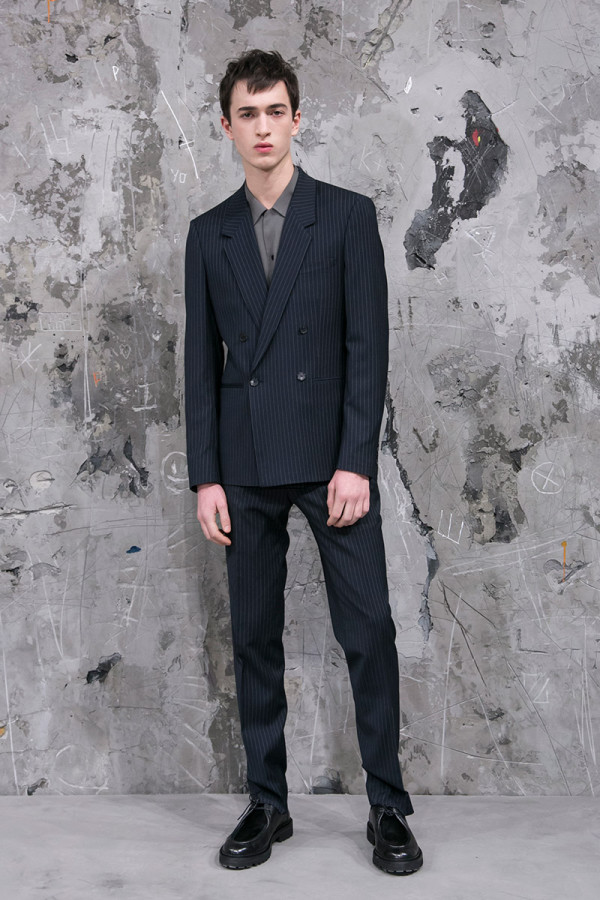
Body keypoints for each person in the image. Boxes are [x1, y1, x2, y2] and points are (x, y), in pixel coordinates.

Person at [184, 48, 423, 875]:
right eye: (247, 114)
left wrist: (356, 460)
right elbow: (199, 365)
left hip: (331, 462)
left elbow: (367, 347)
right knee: (254, 637)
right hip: (244, 462)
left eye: (275, 112)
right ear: (226, 126)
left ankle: (388, 806)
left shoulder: (347, 217)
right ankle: (267, 802)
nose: (263, 128)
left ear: (297, 119)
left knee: (370, 630)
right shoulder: (208, 233)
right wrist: (206, 476)